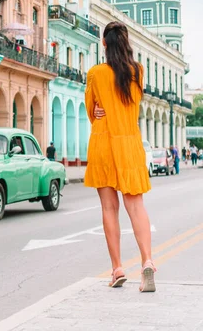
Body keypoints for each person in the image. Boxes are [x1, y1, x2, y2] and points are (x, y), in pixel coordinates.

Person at [84, 22, 155, 292]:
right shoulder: (138, 71)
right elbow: (132, 104)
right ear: (126, 43)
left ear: (104, 44)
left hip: (104, 141)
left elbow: (92, 111)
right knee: (136, 205)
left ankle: (117, 269)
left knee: (109, 208)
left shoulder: (95, 73)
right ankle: (147, 262)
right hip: (130, 143)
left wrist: (101, 111)